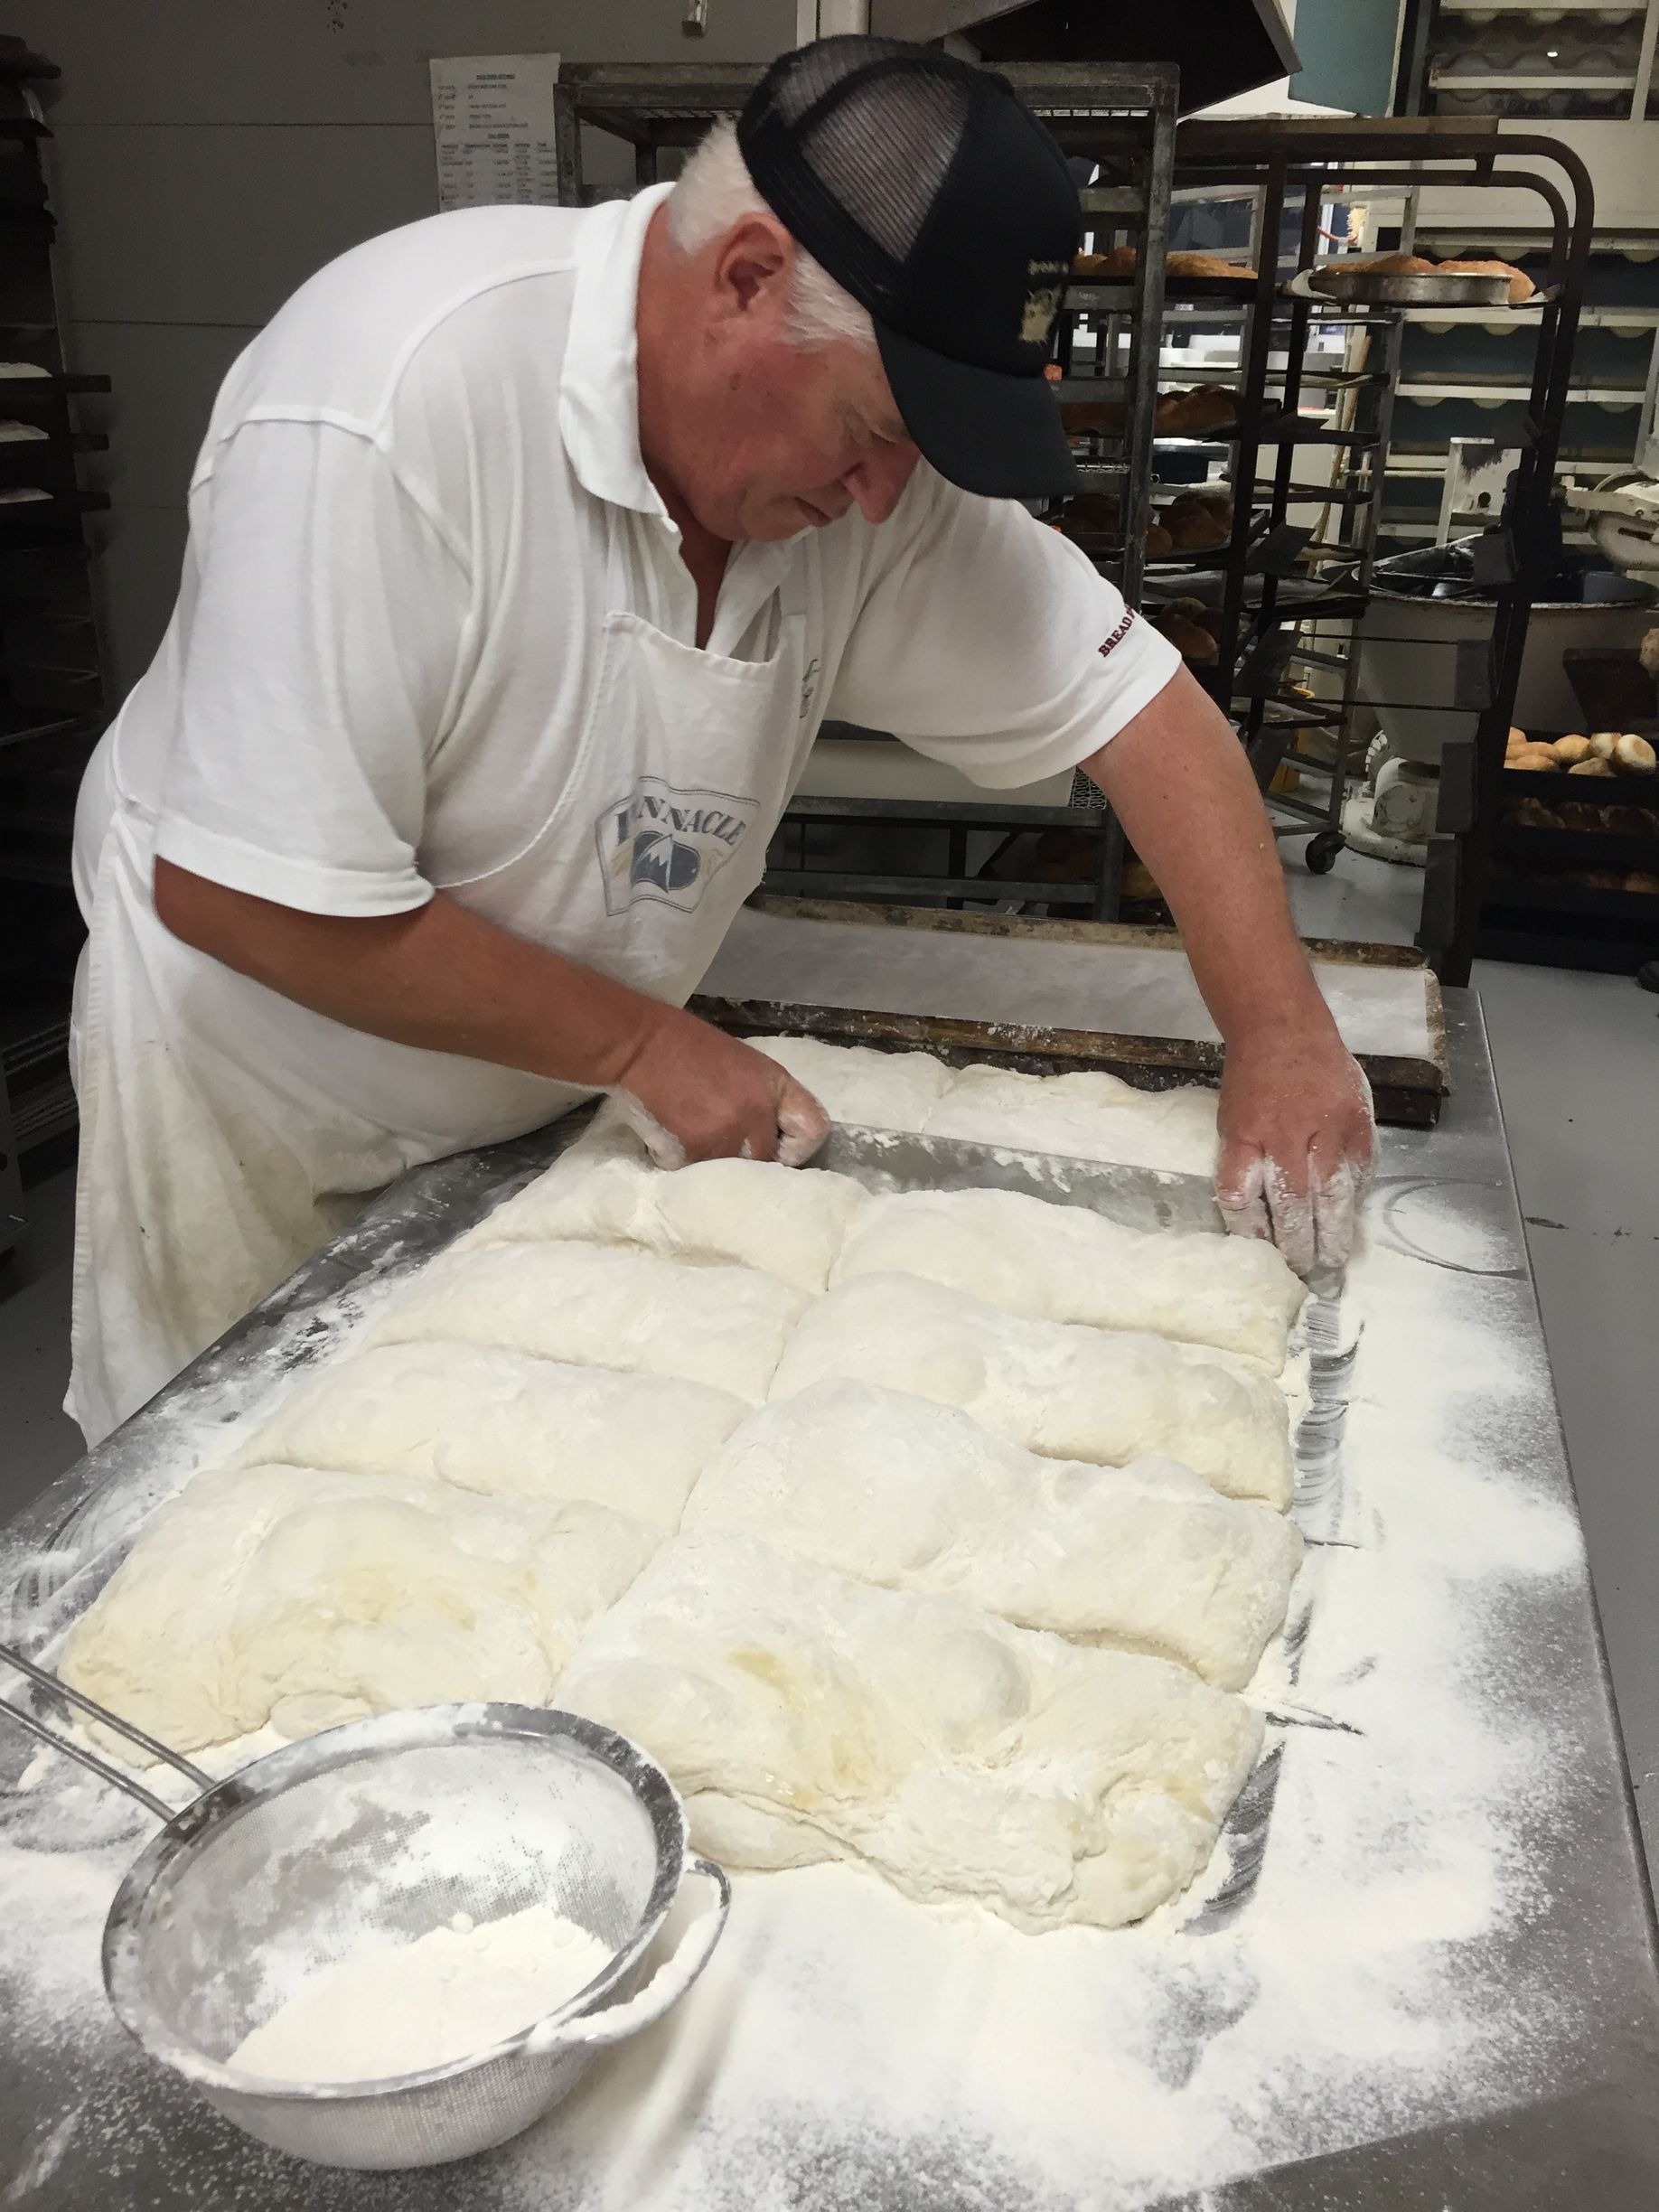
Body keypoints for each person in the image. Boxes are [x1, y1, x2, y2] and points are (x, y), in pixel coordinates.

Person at [67, 36, 1373, 1445]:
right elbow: (250, 893)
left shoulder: (868, 465)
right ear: (747, 279)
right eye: (870, 431)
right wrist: (640, 1043)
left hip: (546, 1101)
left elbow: (1143, 712)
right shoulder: (394, 395)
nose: (882, 501)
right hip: (265, 1100)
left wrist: (1284, 1033)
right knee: (229, 1529)